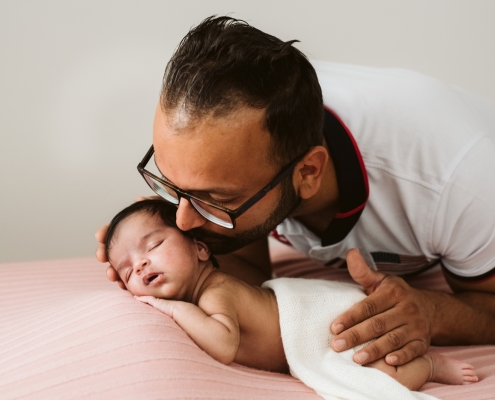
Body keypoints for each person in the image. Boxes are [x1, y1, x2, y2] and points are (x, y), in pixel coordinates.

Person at [96, 16, 495, 369]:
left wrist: (431, 311)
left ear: (308, 172)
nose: (182, 220)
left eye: (214, 198)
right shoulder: (244, 130)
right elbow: (248, 276)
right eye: (170, 185)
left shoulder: (457, 182)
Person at [104, 199, 478, 395]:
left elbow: (222, 344)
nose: (140, 265)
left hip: (331, 325)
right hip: (318, 326)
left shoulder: (217, 291)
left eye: (152, 245)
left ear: (201, 250)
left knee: (368, 378)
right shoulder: (204, 294)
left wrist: (171, 308)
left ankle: (430, 367)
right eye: (126, 269)